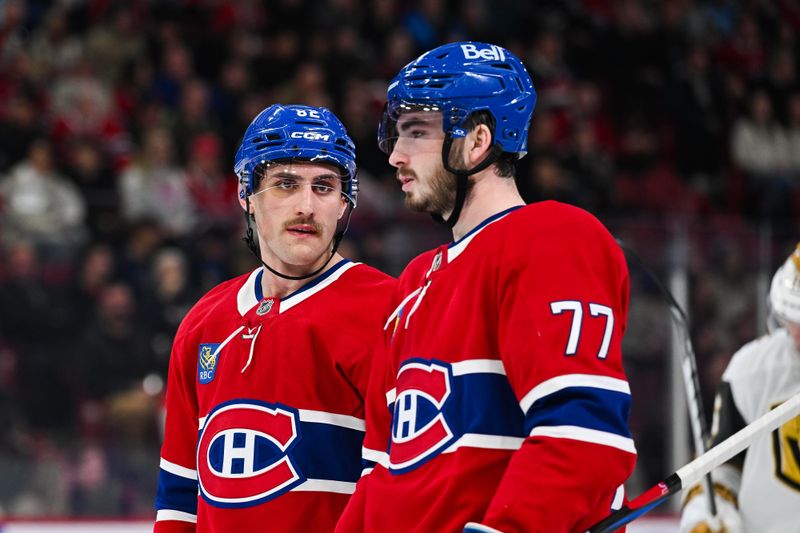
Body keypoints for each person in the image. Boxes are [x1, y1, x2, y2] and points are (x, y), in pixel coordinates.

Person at [337, 42, 637, 533]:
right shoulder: (413, 283)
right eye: (396, 133)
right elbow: (382, 472)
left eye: (416, 132)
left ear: (477, 141)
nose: (395, 155)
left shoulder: (550, 238)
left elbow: (583, 437)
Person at [154, 104, 394, 532]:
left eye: (324, 187)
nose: (307, 205)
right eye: (286, 184)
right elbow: (178, 495)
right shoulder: (204, 322)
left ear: (344, 204)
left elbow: (400, 489)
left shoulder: (389, 312)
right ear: (245, 193)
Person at [680, 244, 800, 533]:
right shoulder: (754, 369)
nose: (795, 333)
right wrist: (708, 515)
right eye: (791, 319)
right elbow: (721, 468)